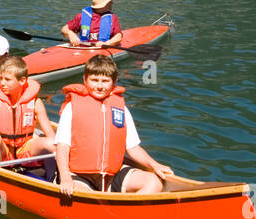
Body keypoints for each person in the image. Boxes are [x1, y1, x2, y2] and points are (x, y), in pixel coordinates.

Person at [55, 53, 173, 196]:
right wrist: (66, 177)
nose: (99, 86)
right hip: (79, 175)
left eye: (105, 81)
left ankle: (127, 214)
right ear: (85, 79)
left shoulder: (121, 109)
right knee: (85, 196)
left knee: (154, 182)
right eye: (94, 80)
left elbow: (133, 148)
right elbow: (62, 147)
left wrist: (155, 165)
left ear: (114, 82)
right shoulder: (72, 107)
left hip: (111, 175)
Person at [0, 56, 57, 178]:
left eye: (7, 80)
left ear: (22, 81)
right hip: (3, 152)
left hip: (24, 149)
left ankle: (51, 179)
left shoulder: (35, 102)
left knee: (52, 143)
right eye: (1, 78)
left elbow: (51, 135)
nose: (2, 83)